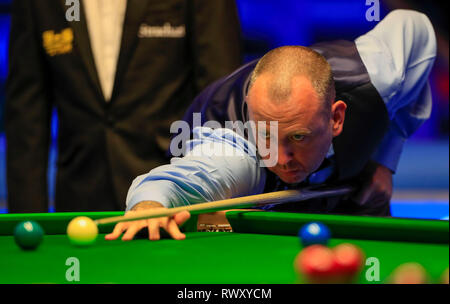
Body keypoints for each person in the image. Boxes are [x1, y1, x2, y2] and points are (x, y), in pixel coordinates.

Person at [104, 9, 436, 241]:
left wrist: (384, 160)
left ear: (336, 118)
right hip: (250, 219)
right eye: (267, 135)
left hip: (349, 191)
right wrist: (150, 204)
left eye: (298, 136)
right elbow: (179, 183)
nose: (280, 157)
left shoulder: (379, 79)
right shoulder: (237, 154)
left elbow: (417, 29)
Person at [5, 0, 242, 212]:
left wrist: (213, 202)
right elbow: (26, 113)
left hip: (173, 197)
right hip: (80, 196)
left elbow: (219, 97)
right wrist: (28, 219)